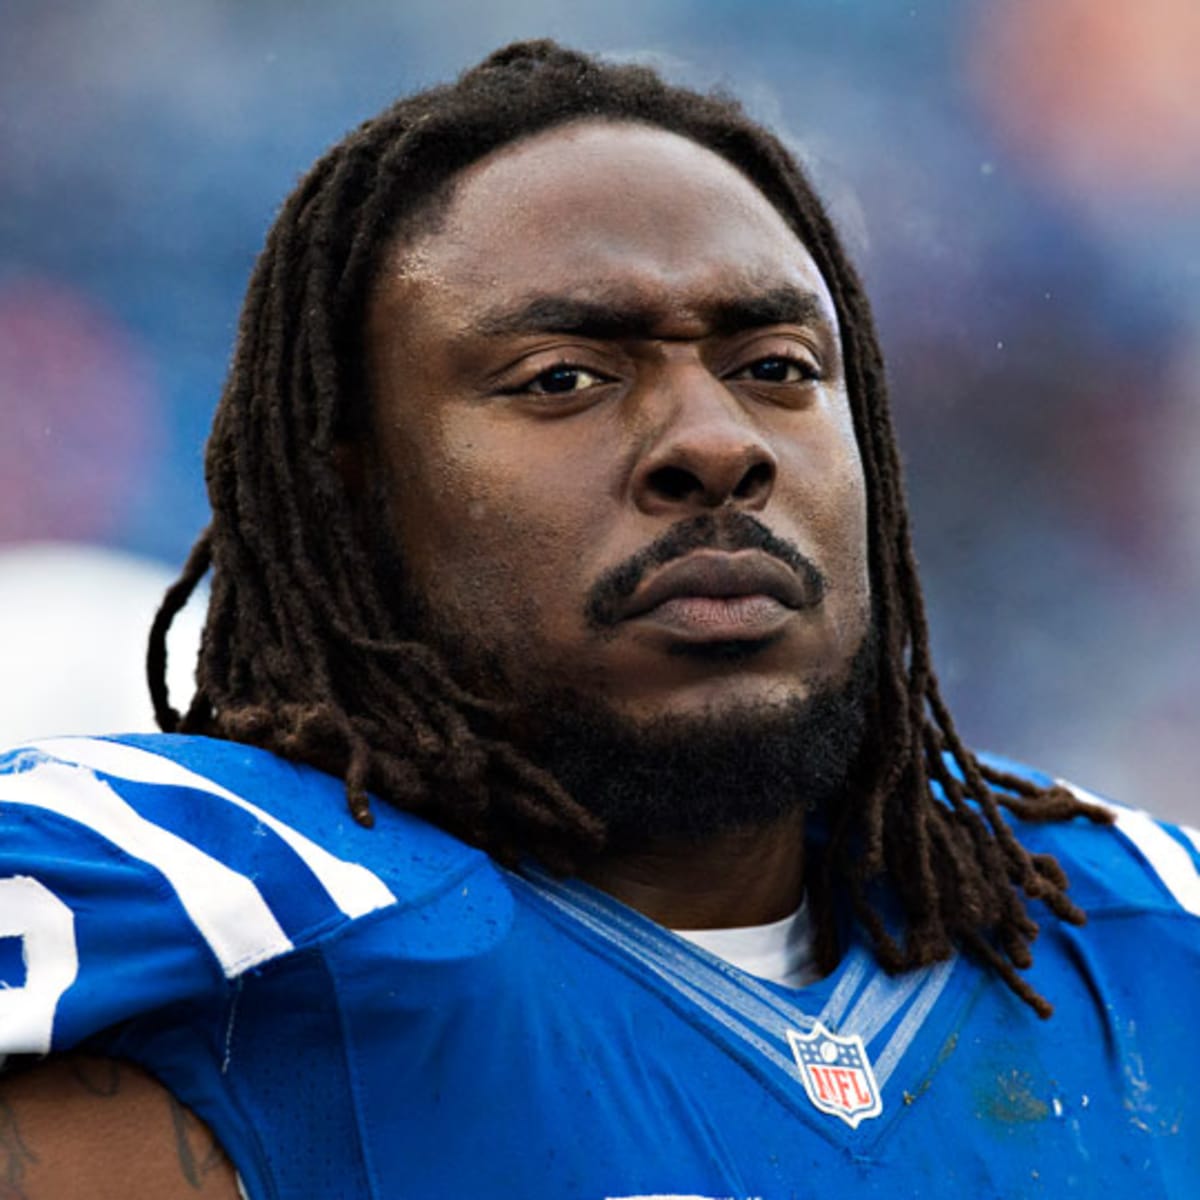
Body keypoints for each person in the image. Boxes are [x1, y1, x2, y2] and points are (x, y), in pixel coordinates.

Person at [1, 39, 1197, 1198]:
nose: (718, 445)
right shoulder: (231, 928)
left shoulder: (1143, 930)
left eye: (777, 366)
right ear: (350, 494)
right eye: (563, 378)